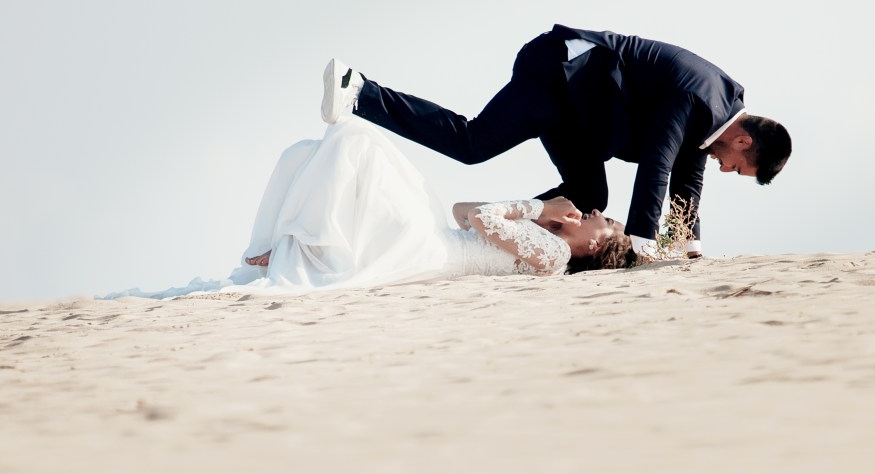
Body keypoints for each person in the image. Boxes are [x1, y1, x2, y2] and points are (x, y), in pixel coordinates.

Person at [321, 24, 792, 259]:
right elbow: (657, 165)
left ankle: (487, 232)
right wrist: (647, 244)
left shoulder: (716, 116)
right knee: (471, 143)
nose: (727, 170)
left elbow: (688, 174)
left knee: (588, 197)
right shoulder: (700, 96)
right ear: (743, 138)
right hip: (556, 78)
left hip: (580, 115)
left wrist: (687, 245)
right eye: (739, 166)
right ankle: (360, 89)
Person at [107, 116, 633, 300]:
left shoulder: (554, 258)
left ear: (592, 250)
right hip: (431, 234)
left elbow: (483, 219)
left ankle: (291, 242)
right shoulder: (542, 236)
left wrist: (537, 205)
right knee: (305, 155)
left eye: (604, 225)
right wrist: (537, 211)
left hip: (422, 254)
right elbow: (461, 210)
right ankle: (263, 251)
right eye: (603, 215)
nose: (596, 215)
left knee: (359, 143)